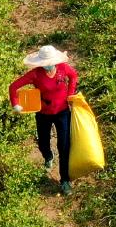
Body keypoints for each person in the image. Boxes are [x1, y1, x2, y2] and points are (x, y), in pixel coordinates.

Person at [7, 45, 80, 194]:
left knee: (64, 146)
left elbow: (73, 76)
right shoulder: (35, 74)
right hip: (43, 113)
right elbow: (13, 87)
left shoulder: (62, 68)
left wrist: (70, 94)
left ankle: (65, 180)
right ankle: (48, 156)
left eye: (50, 62)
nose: (48, 65)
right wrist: (16, 104)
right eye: (45, 63)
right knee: (43, 142)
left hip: (62, 112)